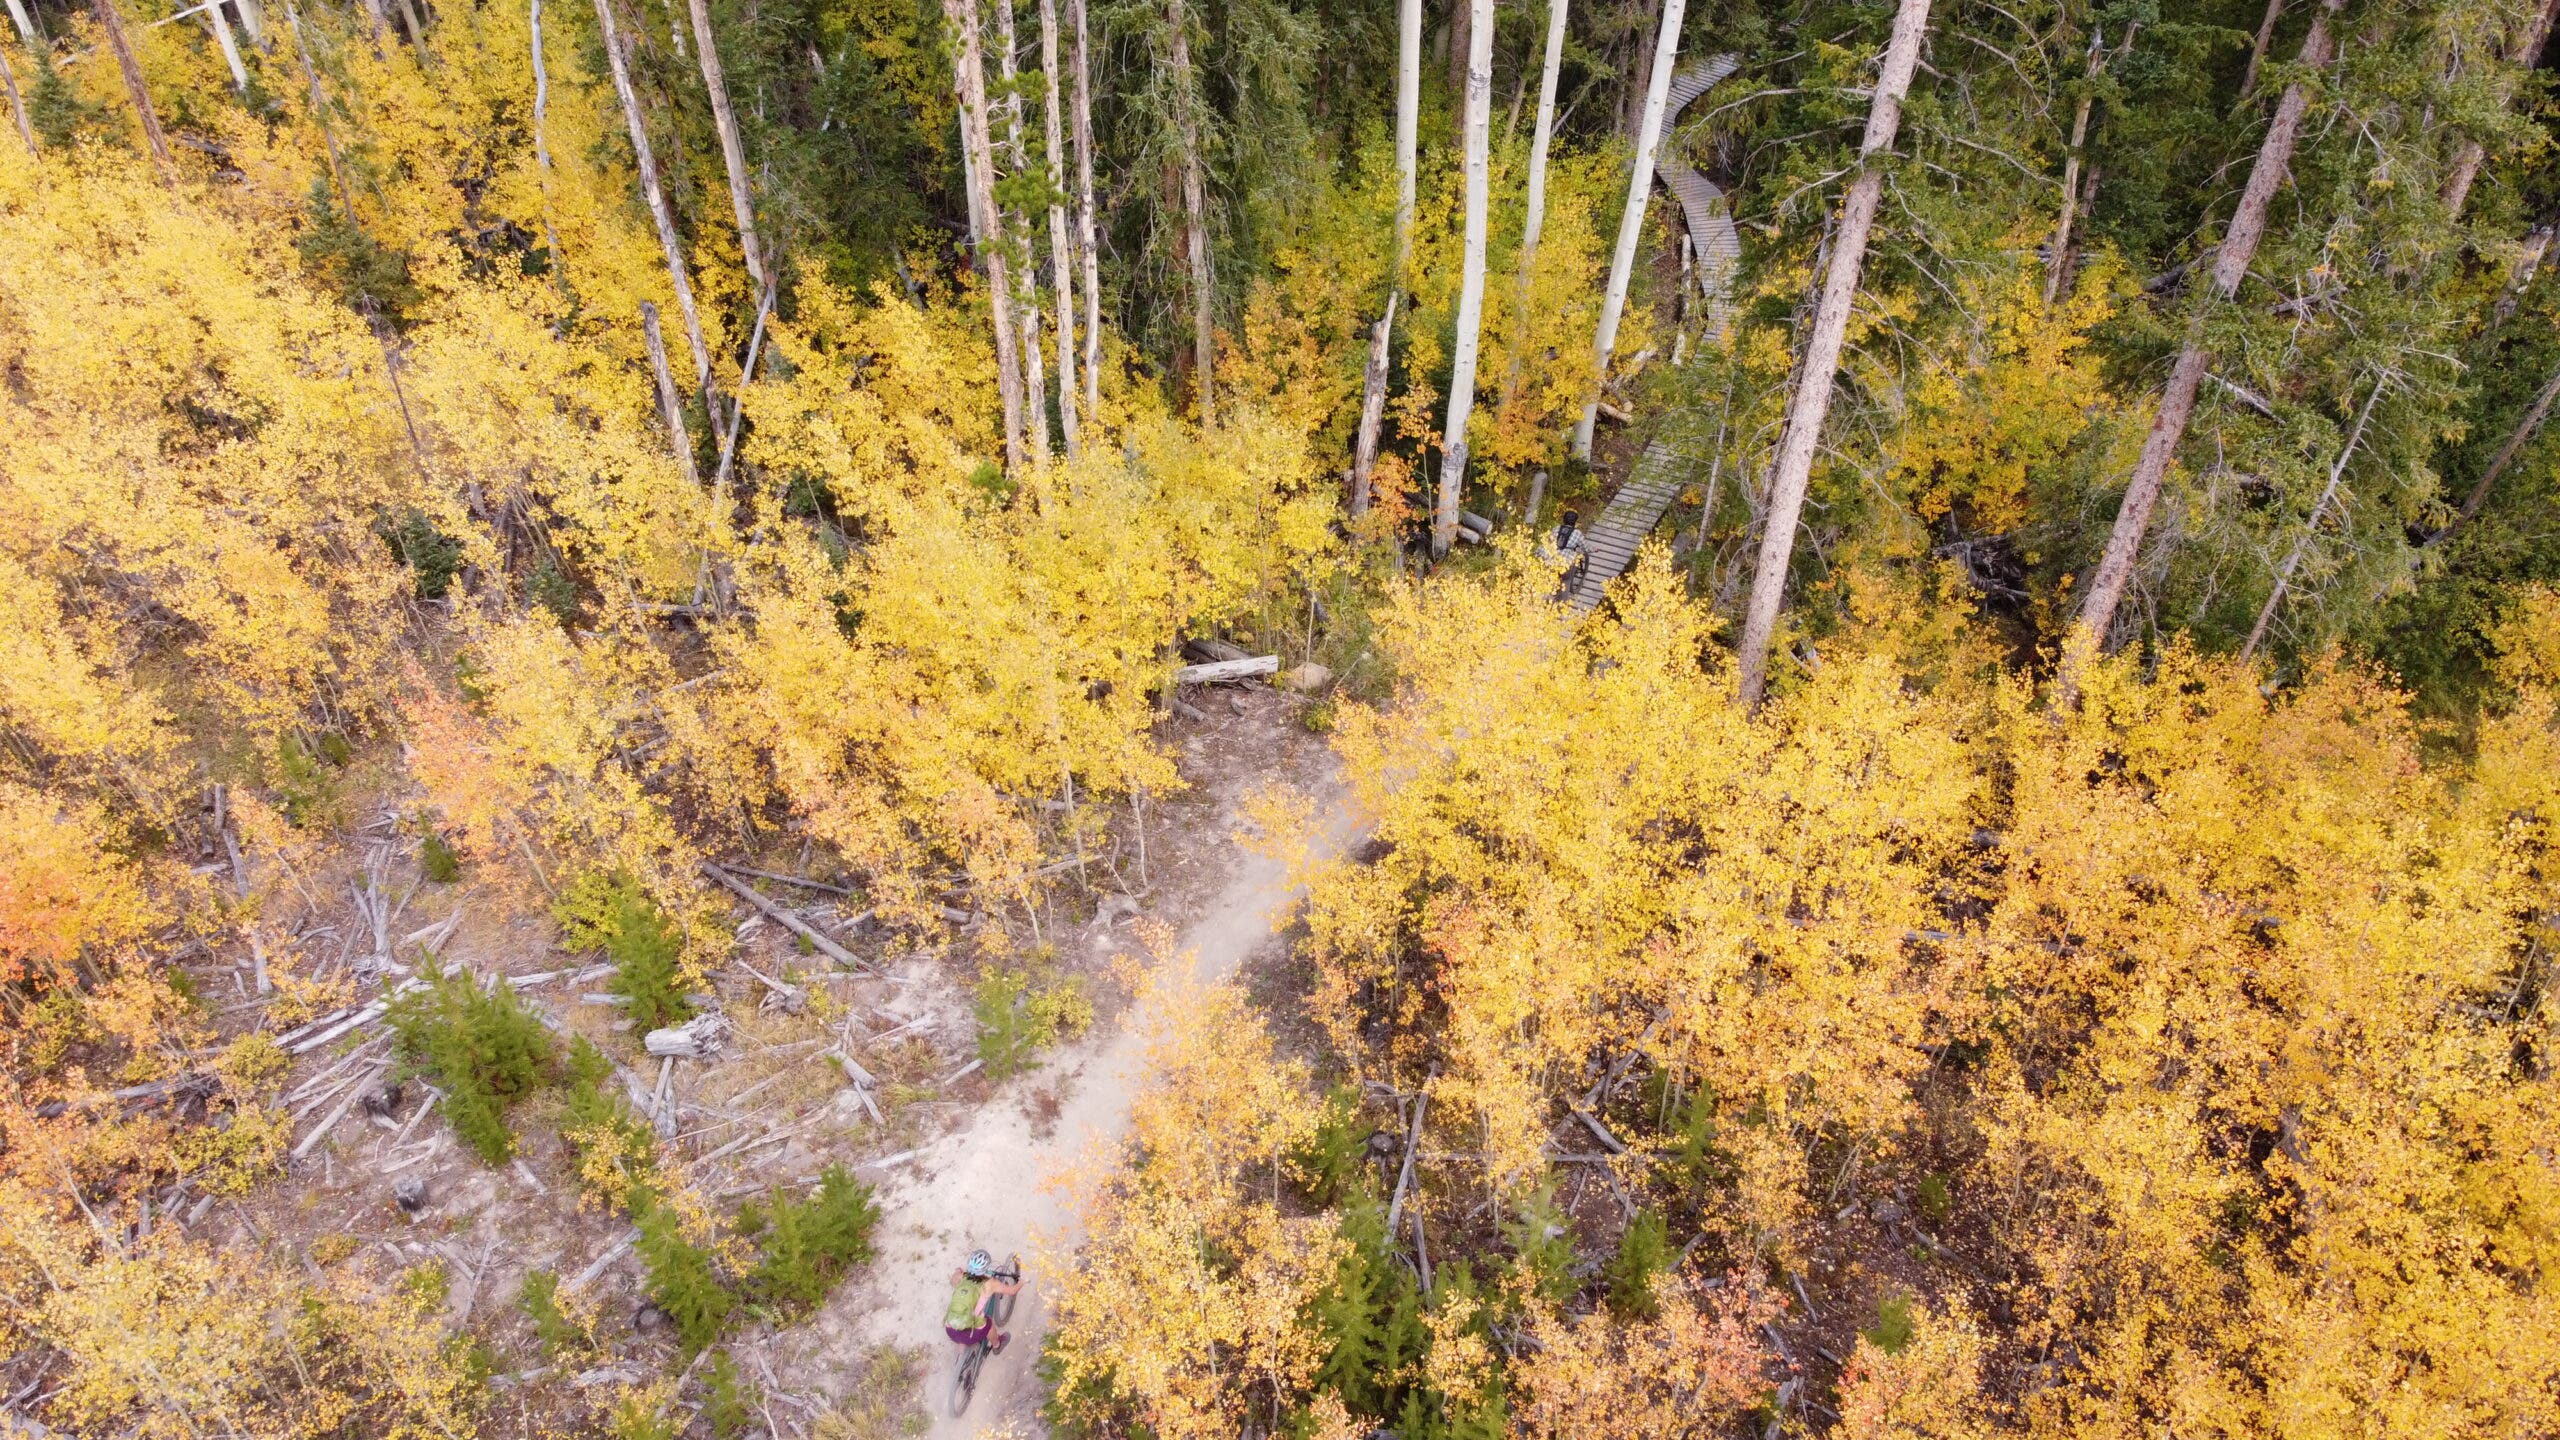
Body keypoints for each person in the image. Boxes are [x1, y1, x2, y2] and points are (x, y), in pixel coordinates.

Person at [944, 1250, 1021, 1354]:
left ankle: (961, 1344)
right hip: (972, 1334)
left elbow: (952, 1282)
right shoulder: (991, 1284)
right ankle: (997, 1345)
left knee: (963, 1318)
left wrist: (959, 1271)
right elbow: (1012, 1291)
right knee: (988, 1323)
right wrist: (1022, 1282)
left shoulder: (959, 1276)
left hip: (950, 1330)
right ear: (986, 1268)